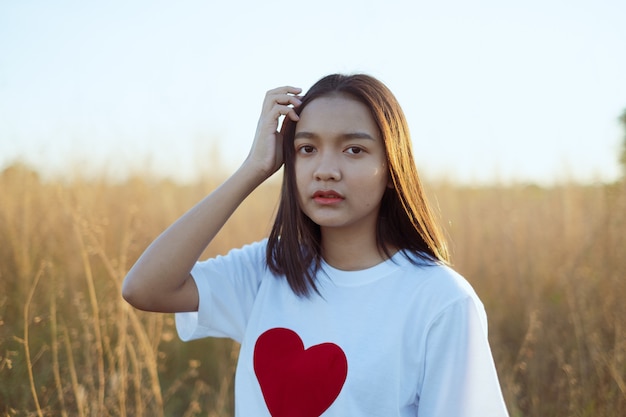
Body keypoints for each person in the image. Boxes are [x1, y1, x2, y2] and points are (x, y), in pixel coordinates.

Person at [122, 73, 510, 416]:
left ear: (393, 169)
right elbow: (145, 288)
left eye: (354, 150)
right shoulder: (269, 269)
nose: (326, 170)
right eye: (307, 149)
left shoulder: (440, 301)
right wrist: (253, 169)